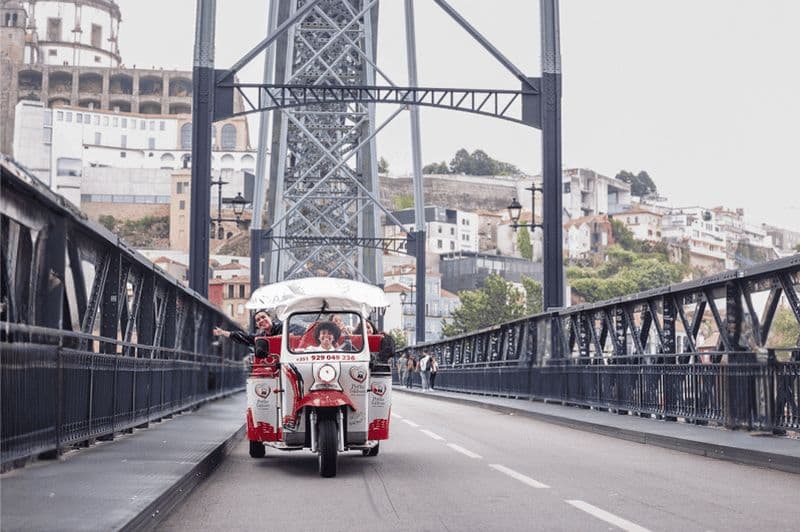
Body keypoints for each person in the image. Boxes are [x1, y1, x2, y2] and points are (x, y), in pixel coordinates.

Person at [213, 309, 281, 347]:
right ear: (257, 325)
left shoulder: (282, 328)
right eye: (258, 320)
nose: (261, 320)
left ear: (270, 318)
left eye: (263, 317)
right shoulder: (260, 337)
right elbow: (243, 337)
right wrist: (222, 332)